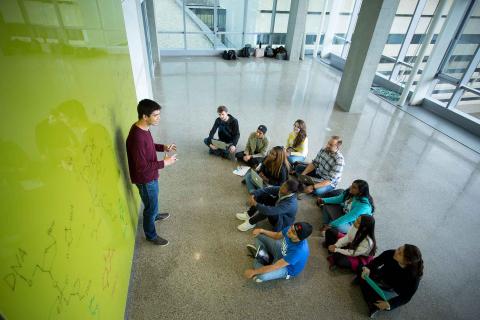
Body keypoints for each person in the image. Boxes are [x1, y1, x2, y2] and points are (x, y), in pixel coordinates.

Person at [126, 99, 177, 246]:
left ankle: (154, 216)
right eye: (155, 115)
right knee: (150, 207)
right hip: (145, 179)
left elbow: (148, 146)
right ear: (145, 116)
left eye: (158, 114)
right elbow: (141, 167)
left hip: (151, 176)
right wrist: (165, 163)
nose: (158, 118)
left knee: (153, 202)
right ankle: (151, 235)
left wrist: (163, 147)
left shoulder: (143, 128)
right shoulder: (137, 137)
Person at [356, 245, 424, 318]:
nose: (396, 251)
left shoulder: (414, 276)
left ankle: (369, 294)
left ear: (407, 262)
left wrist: (390, 304)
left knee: (386, 305)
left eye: (400, 253)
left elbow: (406, 297)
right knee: (361, 269)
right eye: (399, 248)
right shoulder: (390, 253)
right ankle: (372, 304)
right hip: (381, 276)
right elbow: (376, 262)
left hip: (392, 288)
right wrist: (367, 268)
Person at [243, 222, 312, 283]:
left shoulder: (299, 251)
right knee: (258, 236)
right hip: (282, 253)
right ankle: (262, 256)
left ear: (299, 238)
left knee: (262, 276)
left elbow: (275, 266)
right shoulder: (290, 230)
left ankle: (261, 255)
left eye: (293, 232)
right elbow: (276, 236)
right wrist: (261, 230)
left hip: (287, 268)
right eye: (291, 227)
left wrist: (254, 272)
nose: (289, 231)